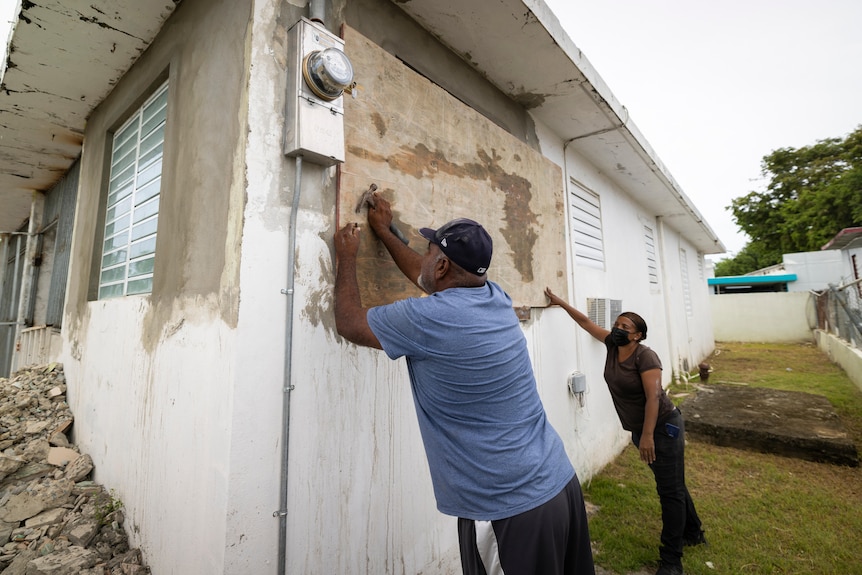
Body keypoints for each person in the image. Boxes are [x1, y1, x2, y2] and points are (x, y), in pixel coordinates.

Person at [333, 192, 595, 575]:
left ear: (441, 266)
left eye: (428, 252)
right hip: (559, 485)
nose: (422, 259)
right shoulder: (494, 298)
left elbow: (350, 323)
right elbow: (425, 277)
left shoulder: (428, 320)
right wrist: (386, 232)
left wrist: (348, 257)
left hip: (510, 510)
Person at [544, 288, 706, 575]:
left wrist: (646, 436)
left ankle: (671, 561)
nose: (618, 329)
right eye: (617, 324)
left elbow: (654, 397)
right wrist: (560, 303)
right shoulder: (611, 346)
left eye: (625, 327)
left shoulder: (646, 357)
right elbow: (585, 322)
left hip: (662, 428)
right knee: (673, 485)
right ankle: (693, 533)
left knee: (669, 492)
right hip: (641, 430)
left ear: (637, 336)